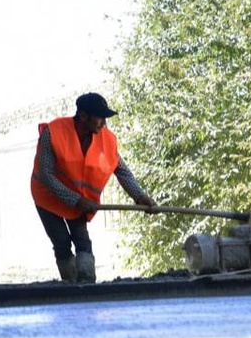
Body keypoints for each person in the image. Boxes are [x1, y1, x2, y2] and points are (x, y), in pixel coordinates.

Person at [30, 92, 157, 284]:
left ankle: (87, 284)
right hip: (47, 197)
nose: (103, 123)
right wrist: (77, 200)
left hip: (79, 201)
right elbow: (46, 175)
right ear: (83, 116)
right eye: (100, 117)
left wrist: (140, 197)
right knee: (62, 243)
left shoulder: (106, 139)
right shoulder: (53, 133)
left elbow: (121, 171)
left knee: (82, 242)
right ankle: (70, 286)